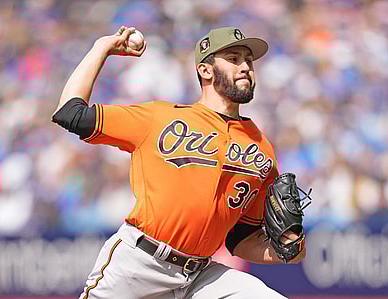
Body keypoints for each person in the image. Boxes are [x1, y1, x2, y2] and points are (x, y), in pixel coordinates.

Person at [52, 25, 306, 299]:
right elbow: (70, 112)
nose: (245, 66)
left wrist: (287, 248)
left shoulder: (261, 148)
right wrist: (101, 48)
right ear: (205, 70)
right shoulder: (159, 118)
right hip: (139, 265)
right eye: (233, 59)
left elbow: (240, 239)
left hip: (199, 276)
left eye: (248, 60)